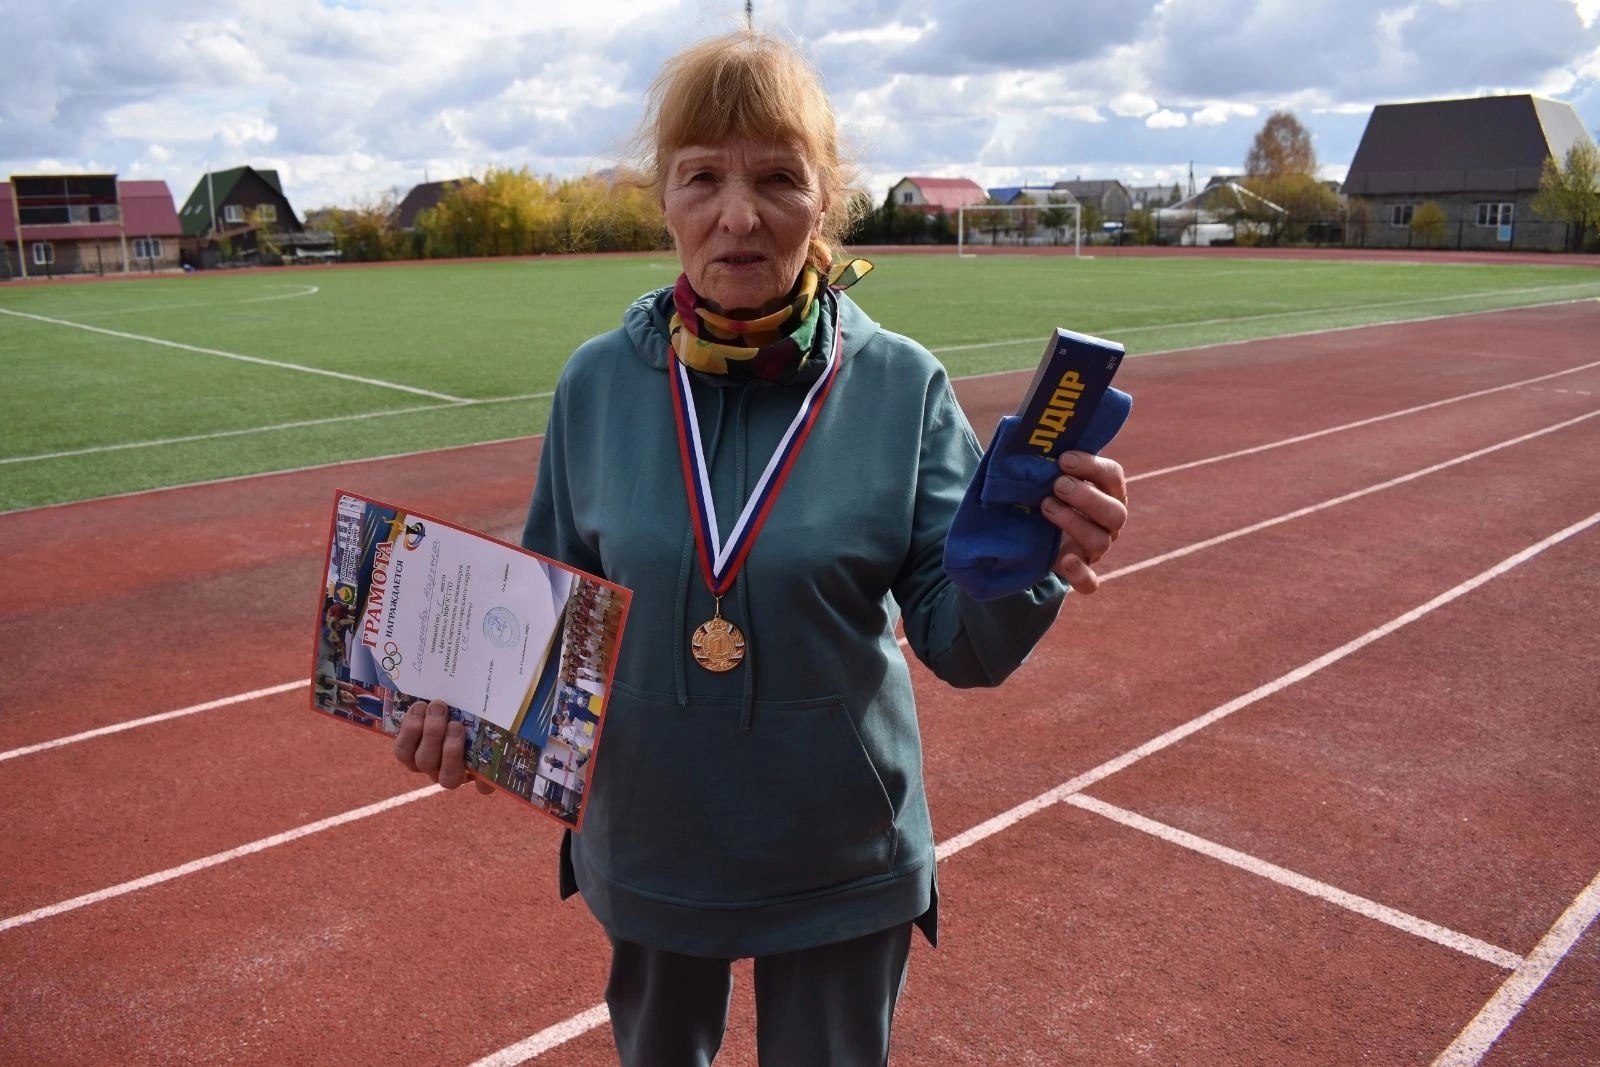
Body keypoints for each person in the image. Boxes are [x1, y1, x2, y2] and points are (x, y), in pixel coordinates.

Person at [395, 27, 1127, 1066]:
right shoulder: (597, 384)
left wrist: (1030, 555)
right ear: (664, 197)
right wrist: (462, 706)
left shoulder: (901, 385)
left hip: (840, 853)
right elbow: (545, 616)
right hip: (651, 844)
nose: (737, 215)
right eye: (702, 176)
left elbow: (965, 644)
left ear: (825, 200)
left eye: (778, 177)